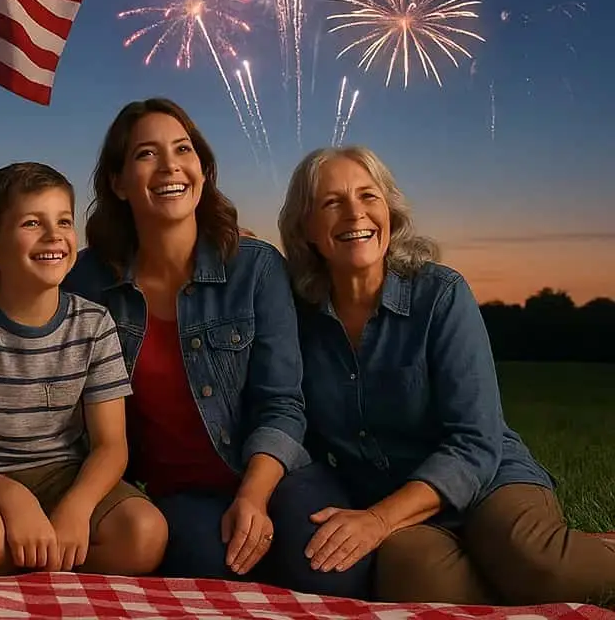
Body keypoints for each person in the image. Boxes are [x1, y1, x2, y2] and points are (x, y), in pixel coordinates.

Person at [277, 145, 615, 606]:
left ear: (389, 212)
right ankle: (502, 582)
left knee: (531, 558)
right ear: (306, 229)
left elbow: (476, 441)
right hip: (401, 506)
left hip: (488, 478)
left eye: (368, 196)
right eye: (332, 202)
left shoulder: (441, 294)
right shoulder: (299, 320)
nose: (356, 213)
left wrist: (377, 520)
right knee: (416, 578)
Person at [64, 97, 370, 597]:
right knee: (214, 579)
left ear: (202, 170)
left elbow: (283, 404)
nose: (170, 166)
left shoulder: (254, 267)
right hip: (180, 491)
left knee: (327, 569)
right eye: (146, 154)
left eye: (183, 150)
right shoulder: (88, 281)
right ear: (118, 183)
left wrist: (252, 495)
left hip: (276, 473)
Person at [0, 162, 168, 577]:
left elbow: (111, 445)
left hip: (68, 477)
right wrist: (12, 497)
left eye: (64, 221)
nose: (54, 235)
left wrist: (77, 507)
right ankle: (51, 567)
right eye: (32, 223)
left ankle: (32, 566)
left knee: (145, 536)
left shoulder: (94, 324)